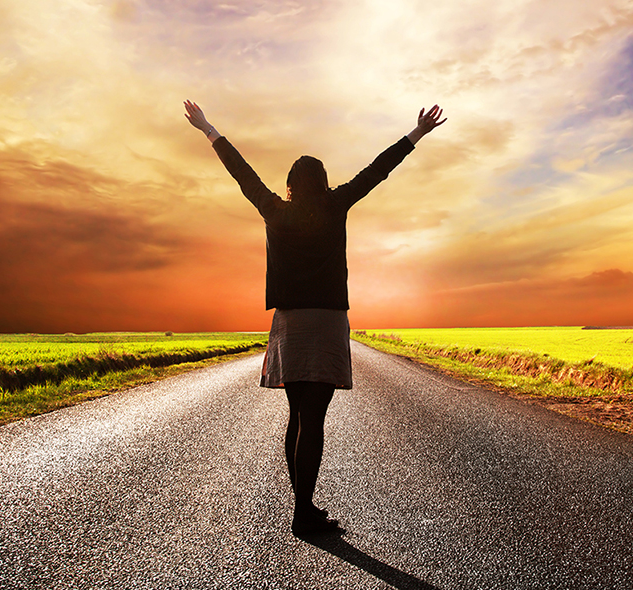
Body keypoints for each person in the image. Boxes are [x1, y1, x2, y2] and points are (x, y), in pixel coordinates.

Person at [184, 100, 446, 535]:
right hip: (325, 321)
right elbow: (376, 171)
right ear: (323, 183)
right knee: (314, 419)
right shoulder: (334, 205)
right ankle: (303, 512)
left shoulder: (274, 210)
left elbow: (241, 172)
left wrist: (208, 128)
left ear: (289, 185)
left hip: (289, 323)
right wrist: (416, 134)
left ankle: (302, 506)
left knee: (296, 416)